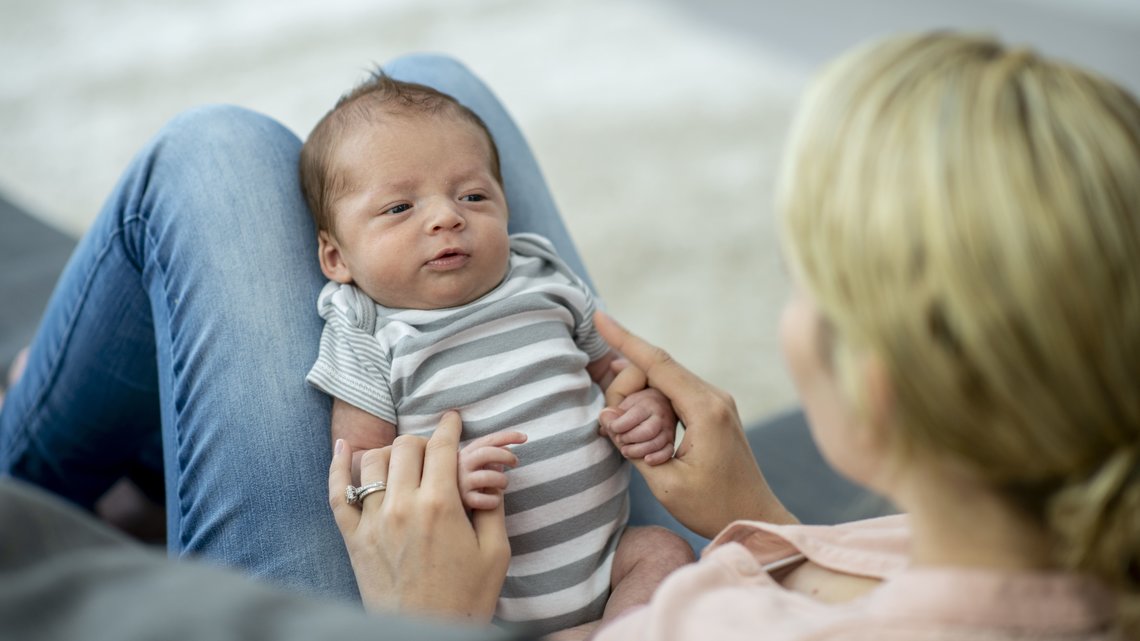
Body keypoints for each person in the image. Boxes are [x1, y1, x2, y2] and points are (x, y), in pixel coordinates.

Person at [2, 30, 1135, 641]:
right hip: (619, 538)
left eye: (805, 282)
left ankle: (28, 480)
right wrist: (771, 521)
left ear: (871, 389)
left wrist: (422, 619)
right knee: (436, 93)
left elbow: (360, 465)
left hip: (451, 595)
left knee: (211, 152)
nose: (449, 221)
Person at [298, 73, 692, 632]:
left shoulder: (542, 278)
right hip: (478, 592)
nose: (446, 217)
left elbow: (616, 371)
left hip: (610, 563)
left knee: (663, 550)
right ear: (336, 257)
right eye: (399, 208)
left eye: (473, 196)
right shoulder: (368, 330)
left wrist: (646, 411)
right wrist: (444, 481)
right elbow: (360, 463)